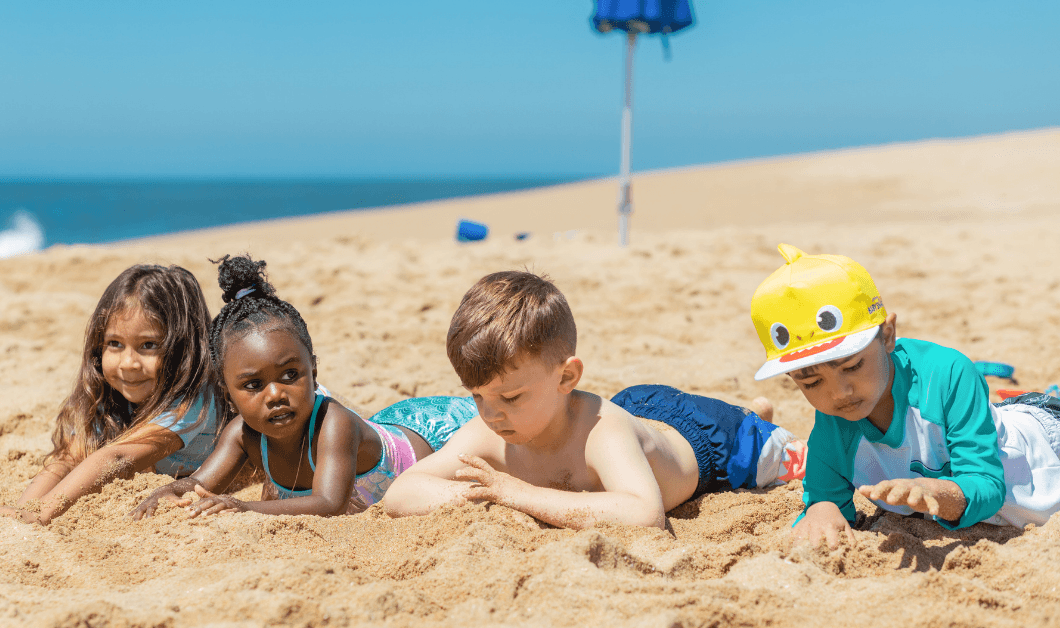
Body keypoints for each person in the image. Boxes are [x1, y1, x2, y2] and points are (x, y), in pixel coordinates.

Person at [382, 270, 806, 530]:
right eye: (477, 397)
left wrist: (515, 494)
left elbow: (644, 515)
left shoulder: (603, 434)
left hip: (707, 439)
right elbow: (402, 493)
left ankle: (754, 419)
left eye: (510, 397)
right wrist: (484, 499)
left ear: (566, 376)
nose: (492, 414)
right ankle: (753, 410)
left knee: (787, 459)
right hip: (635, 412)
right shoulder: (488, 431)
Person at [749, 244, 1060, 548]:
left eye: (853, 365)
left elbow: (988, 486)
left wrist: (939, 494)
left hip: (1045, 444)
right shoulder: (833, 422)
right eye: (812, 382)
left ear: (887, 335)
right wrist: (822, 510)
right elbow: (824, 497)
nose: (839, 392)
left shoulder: (947, 374)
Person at [130, 255, 475, 519]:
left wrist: (243, 507)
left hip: (437, 433)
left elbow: (329, 503)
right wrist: (169, 492)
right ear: (227, 392)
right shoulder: (241, 434)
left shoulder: (333, 423)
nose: (276, 394)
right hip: (389, 424)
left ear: (314, 368)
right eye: (253, 385)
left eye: (290, 375)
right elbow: (200, 484)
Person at [1, 264, 217, 524]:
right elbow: (67, 460)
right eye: (115, 344)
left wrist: (41, 513)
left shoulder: (193, 400)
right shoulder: (109, 396)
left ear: (184, 350)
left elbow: (119, 456)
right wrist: (22, 510)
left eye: (148, 345)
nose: (128, 363)